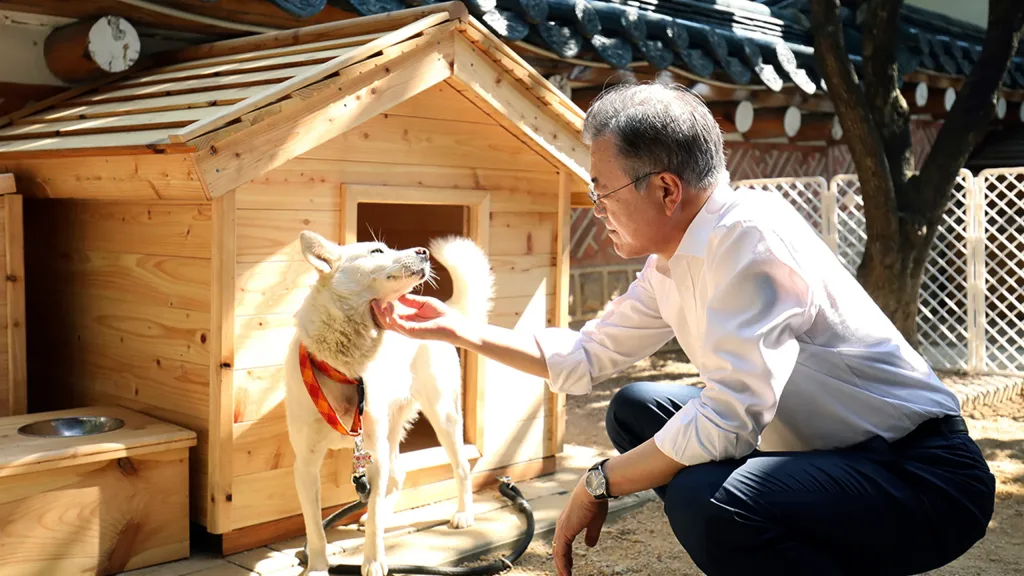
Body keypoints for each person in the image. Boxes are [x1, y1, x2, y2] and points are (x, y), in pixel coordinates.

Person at [370, 82, 996, 576]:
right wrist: (456, 329)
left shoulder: (748, 240)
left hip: (920, 476)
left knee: (710, 500)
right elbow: (587, 354)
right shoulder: (672, 259)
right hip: (821, 450)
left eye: (601, 190)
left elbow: (729, 417)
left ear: (666, 188)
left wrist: (599, 481)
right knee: (640, 408)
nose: (598, 210)